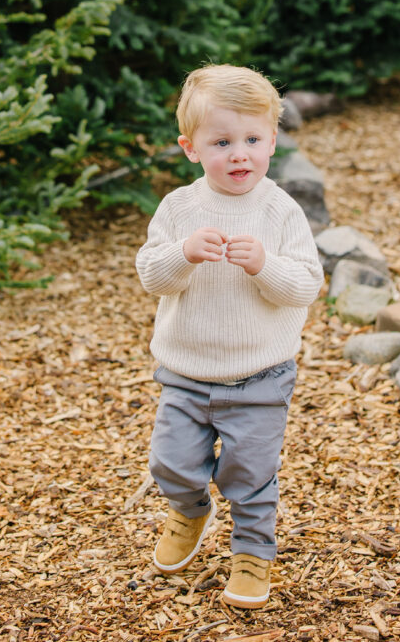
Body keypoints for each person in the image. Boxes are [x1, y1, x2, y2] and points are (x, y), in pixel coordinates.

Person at [135, 64, 324, 609]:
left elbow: (307, 285)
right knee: (169, 461)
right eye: (222, 141)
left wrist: (265, 265)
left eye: (253, 139)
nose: (240, 154)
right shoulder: (180, 209)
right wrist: (183, 254)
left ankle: (252, 551)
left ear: (272, 140)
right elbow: (152, 275)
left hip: (260, 374)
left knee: (250, 472)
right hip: (187, 372)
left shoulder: (280, 210)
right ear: (190, 147)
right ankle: (190, 509)